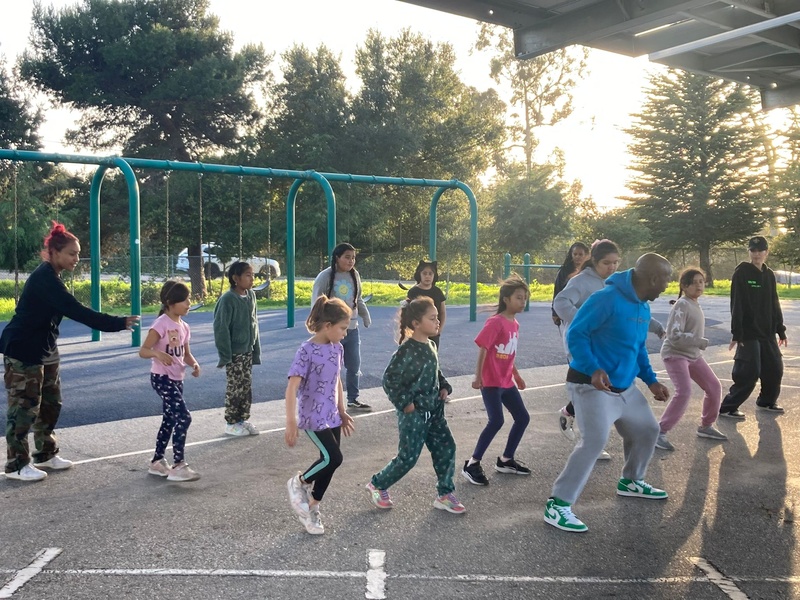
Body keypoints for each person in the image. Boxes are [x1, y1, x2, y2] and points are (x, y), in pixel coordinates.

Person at [544, 253, 672, 533]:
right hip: (590, 385)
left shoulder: (641, 307)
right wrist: (593, 368)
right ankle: (558, 504)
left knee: (648, 430)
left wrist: (651, 381)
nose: (666, 287)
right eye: (665, 280)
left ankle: (631, 481)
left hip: (624, 386)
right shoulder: (606, 299)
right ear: (652, 278)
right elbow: (577, 333)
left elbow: (637, 348)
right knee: (594, 440)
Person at [1, 221, 138, 482]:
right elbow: (75, 310)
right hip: (23, 348)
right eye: (72, 253)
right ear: (54, 253)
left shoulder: (53, 276)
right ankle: (17, 465)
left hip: (45, 347)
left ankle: (46, 454)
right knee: (24, 408)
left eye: (78, 253)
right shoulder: (45, 279)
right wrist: (116, 323)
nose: (77, 258)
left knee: (51, 404)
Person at [366, 297, 464, 514]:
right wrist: (405, 404)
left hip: (435, 412)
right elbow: (389, 379)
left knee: (447, 448)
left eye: (437, 318)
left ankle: (445, 494)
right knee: (408, 458)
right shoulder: (406, 350)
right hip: (414, 415)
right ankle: (378, 484)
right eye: (432, 318)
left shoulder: (430, 345)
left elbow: (434, 372)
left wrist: (444, 386)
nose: (438, 322)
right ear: (416, 323)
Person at [285, 295, 356, 535]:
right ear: (327, 326)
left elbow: (336, 381)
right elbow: (292, 387)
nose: (345, 333)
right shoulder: (306, 350)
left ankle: (313, 508)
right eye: (343, 328)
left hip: (332, 414)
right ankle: (300, 482)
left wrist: (343, 410)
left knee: (329, 464)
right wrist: (291, 420)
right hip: (312, 417)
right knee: (333, 458)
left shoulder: (337, 348)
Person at [461, 274, 531, 487]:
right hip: (491, 382)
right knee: (497, 421)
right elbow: (484, 348)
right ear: (506, 299)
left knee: (522, 417)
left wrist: (516, 375)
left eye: (525, 298)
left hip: (506, 381)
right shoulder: (496, 322)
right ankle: (472, 463)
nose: (523, 302)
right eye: (519, 297)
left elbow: (510, 353)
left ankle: (506, 460)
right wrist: (478, 376)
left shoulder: (515, 324)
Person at [553, 240, 621, 452]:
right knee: (592, 392)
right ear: (595, 261)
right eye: (607, 263)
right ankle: (590, 443)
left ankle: (568, 413)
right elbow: (560, 303)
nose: (612, 267)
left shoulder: (611, 283)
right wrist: (584, 322)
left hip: (602, 346)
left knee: (598, 390)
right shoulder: (581, 281)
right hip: (581, 345)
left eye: (616, 263)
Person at [656, 268, 727, 451]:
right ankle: (659, 432)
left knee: (714, 386)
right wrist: (698, 341)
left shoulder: (694, 303)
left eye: (701, 282)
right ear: (684, 286)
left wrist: (696, 344)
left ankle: (706, 426)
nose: (699, 285)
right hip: (675, 354)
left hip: (693, 355)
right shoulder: (682, 305)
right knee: (685, 392)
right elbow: (673, 335)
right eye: (694, 282)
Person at [718, 236, 787, 418]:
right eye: (753, 251)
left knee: (775, 368)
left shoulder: (769, 274)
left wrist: (780, 329)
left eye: (760, 251)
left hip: (767, 331)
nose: (756, 254)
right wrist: (737, 332)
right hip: (748, 332)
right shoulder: (742, 273)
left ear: (766, 252)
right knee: (749, 371)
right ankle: (728, 407)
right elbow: (737, 303)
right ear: (749, 252)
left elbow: (774, 302)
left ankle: (766, 401)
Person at [139, 281, 201, 482]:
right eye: (184, 300)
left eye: (189, 298)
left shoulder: (184, 326)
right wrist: (157, 353)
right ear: (170, 303)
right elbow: (143, 351)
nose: (189, 303)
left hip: (177, 378)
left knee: (170, 419)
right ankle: (178, 465)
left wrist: (194, 364)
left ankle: (157, 461)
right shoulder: (161, 324)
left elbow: (185, 353)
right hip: (161, 378)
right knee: (184, 417)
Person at [311, 243, 372, 411]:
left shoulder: (355, 275)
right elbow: (317, 302)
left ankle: (353, 399)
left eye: (353, 257)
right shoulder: (325, 276)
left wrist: (365, 315)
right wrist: (319, 326)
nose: (351, 261)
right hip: (331, 332)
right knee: (330, 366)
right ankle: (326, 400)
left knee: (354, 365)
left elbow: (357, 299)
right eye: (347, 257)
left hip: (351, 329)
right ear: (337, 257)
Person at [213, 261, 261, 437]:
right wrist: (226, 355)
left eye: (252, 275)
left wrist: (255, 349)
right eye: (248, 275)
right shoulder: (227, 300)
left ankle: (242, 419)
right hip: (234, 353)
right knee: (235, 388)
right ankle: (231, 422)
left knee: (246, 387)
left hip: (247, 351)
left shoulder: (251, 296)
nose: (252, 278)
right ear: (236, 278)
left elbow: (254, 323)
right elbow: (221, 328)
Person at [404, 260, 447, 348]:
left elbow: (442, 312)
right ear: (419, 274)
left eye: (430, 274)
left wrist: (440, 328)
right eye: (424, 273)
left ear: (434, 275)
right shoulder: (413, 291)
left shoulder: (438, 292)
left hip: (433, 331)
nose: (427, 276)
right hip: (417, 331)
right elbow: (409, 312)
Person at [551, 242, 590, 327]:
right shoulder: (564, 272)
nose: (577, 257)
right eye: (575, 254)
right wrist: (555, 312)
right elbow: (557, 291)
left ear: (586, 255)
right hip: (569, 309)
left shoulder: (590, 271)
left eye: (580, 254)